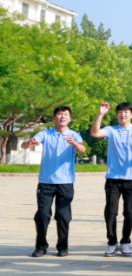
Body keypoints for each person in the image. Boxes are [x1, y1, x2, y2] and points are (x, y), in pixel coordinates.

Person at [24, 106, 86, 257]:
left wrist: (74, 144)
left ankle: (62, 247)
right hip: (46, 182)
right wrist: (29, 142)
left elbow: (82, 150)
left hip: (66, 182)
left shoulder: (74, 135)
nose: (62, 117)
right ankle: (41, 246)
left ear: (70, 118)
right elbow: (25, 145)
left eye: (65, 114)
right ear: (54, 118)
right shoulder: (45, 133)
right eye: (59, 114)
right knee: (42, 215)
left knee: (63, 216)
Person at [90, 101, 132, 256]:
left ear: (131, 115)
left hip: (131, 178)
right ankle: (111, 242)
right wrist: (100, 114)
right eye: (120, 112)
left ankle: (125, 241)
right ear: (117, 115)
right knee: (111, 212)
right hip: (113, 178)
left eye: (126, 112)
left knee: (130, 211)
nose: (123, 114)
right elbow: (95, 133)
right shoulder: (111, 130)